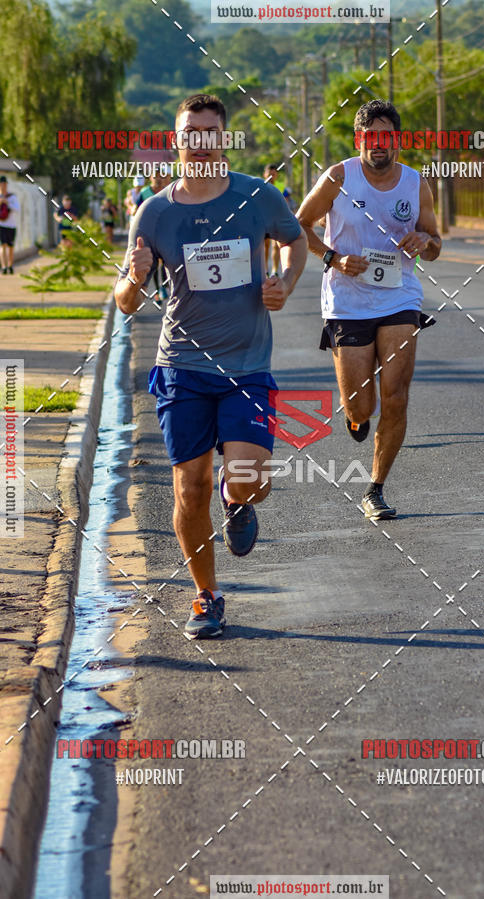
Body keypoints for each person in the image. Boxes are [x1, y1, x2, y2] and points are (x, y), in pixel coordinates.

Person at [114, 93, 307, 639]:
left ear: (223, 138)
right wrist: (133, 276)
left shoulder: (256, 196)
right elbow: (127, 300)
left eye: (209, 132)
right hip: (182, 367)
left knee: (248, 481)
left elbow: (295, 241)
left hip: (246, 367)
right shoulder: (153, 212)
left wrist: (286, 283)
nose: (200, 142)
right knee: (187, 488)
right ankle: (205, 596)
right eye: (189, 133)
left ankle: (237, 500)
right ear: (177, 140)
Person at [297, 98, 441, 520]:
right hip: (346, 300)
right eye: (370, 136)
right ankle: (357, 418)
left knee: (395, 397)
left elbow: (434, 243)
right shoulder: (338, 177)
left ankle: (375, 489)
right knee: (362, 405)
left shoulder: (416, 184)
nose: (379, 144)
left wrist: (424, 243)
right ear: (360, 139)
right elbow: (298, 224)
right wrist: (333, 259)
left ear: (397, 140)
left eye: (387, 136)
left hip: (400, 298)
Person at [137, 170, 173, 303]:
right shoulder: (145, 193)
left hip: (167, 231)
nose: (158, 178)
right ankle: (157, 290)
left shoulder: (169, 191)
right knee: (153, 263)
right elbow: (138, 211)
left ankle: (164, 287)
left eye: (161, 175)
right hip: (150, 232)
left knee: (165, 262)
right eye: (155, 175)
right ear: (150, 177)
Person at [263, 164, 294, 275]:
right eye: (269, 174)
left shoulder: (281, 187)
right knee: (265, 246)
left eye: (274, 174)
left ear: (277, 175)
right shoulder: (259, 186)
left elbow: (286, 203)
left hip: (277, 220)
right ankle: (265, 269)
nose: (271, 176)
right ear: (264, 174)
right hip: (263, 220)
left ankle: (274, 270)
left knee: (276, 245)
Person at [0, 176, 19, 274]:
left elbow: (17, 209)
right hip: (1, 225)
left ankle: (10, 265)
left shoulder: (12, 197)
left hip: (11, 225)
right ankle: (3, 266)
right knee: (3, 245)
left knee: (10, 246)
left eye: (4, 184)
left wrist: (7, 203)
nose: (3, 186)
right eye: (1, 184)